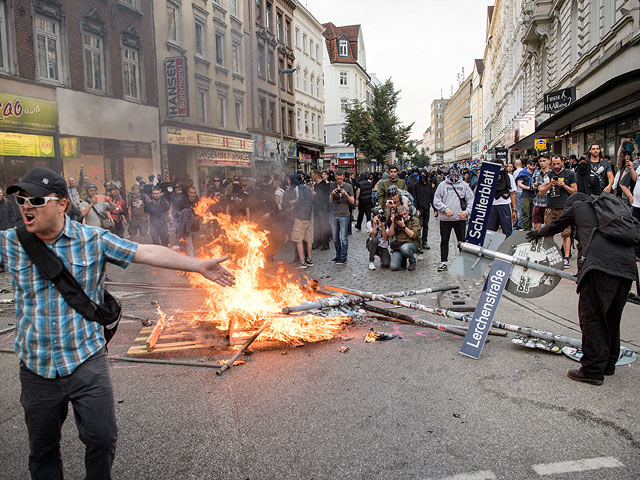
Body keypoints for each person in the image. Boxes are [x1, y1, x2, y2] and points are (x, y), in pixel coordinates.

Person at [2, 167, 234, 479]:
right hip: (36, 366)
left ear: (61, 204)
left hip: (86, 360)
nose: (26, 207)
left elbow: (147, 251)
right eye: (21, 199)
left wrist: (198, 265)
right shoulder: (11, 243)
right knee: (42, 449)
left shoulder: (92, 240)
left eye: (37, 200)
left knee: (101, 438)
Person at [527, 193, 637, 385]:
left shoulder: (578, 208)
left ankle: (592, 370)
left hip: (599, 268)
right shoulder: (609, 210)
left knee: (592, 318)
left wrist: (537, 233)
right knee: (611, 317)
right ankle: (608, 364)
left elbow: (556, 225)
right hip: (627, 270)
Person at [537, 154, 578, 267]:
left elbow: (575, 191)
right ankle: (552, 257)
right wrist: (550, 184)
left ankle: (566, 258)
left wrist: (564, 185)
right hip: (550, 207)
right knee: (549, 232)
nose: (556, 166)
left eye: (558, 164)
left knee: (566, 234)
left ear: (562, 162)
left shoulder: (569, 174)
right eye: (554, 164)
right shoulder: (549, 174)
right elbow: (541, 191)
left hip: (565, 207)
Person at [433, 165, 474, 272]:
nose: (454, 176)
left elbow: (471, 199)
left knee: (462, 241)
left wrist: (466, 212)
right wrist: (445, 209)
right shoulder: (442, 185)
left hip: (459, 219)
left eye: (456, 173)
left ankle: (464, 261)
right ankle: (443, 262)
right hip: (445, 219)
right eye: (452, 173)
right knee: (444, 241)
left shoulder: (464, 185)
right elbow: (436, 201)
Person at [329, 169, 355, 265]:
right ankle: (338, 255)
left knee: (343, 238)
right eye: (337, 178)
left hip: (344, 215)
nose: (339, 180)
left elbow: (352, 201)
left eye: (341, 178)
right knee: (335, 238)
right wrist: (332, 194)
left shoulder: (348, 186)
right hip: (334, 215)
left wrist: (345, 194)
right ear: (335, 177)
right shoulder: (332, 185)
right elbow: (329, 202)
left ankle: (344, 257)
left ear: (343, 177)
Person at [487, 159, 518, 237]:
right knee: (489, 232)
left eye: (500, 167)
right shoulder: (487, 177)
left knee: (508, 231)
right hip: (491, 206)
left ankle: (507, 248)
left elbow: (513, 193)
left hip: (505, 205)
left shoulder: (509, 177)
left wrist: (514, 210)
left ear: (503, 167)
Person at [289, 174, 313, 269]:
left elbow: (300, 199)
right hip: (308, 216)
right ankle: (309, 260)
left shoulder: (298, 188)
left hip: (300, 216)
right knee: (308, 239)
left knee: (298, 239)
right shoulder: (307, 188)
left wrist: (293, 204)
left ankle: (302, 261)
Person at [387, 205, 421, 271]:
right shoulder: (397, 221)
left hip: (411, 243)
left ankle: (412, 261)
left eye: (405, 214)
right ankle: (403, 259)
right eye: (401, 215)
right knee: (393, 267)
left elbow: (413, 235)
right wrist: (393, 223)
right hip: (399, 244)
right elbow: (390, 234)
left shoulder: (414, 220)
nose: (404, 216)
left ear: (407, 212)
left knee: (405, 248)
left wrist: (403, 226)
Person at [411, 169, 436, 249]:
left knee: (426, 226)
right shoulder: (416, 185)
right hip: (419, 208)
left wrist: (435, 209)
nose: (423, 176)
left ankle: (424, 242)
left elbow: (432, 198)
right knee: (419, 225)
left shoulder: (429, 185)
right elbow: (414, 198)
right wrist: (416, 209)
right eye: (421, 174)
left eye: (424, 174)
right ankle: (418, 242)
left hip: (427, 208)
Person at [531, 153, 552, 229]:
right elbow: (532, 185)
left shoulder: (552, 173)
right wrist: (536, 186)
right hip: (537, 202)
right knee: (536, 225)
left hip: (548, 202)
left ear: (549, 161)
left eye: (544, 161)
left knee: (548, 226)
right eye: (540, 161)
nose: (542, 163)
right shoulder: (536, 173)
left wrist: (545, 186)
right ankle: (537, 240)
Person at [515, 159, 537, 231]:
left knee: (533, 214)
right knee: (526, 213)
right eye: (531, 164)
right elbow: (519, 183)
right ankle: (527, 229)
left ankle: (531, 228)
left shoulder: (537, 173)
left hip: (535, 195)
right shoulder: (523, 173)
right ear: (527, 165)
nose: (533, 165)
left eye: (534, 164)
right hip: (526, 195)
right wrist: (528, 188)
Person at [312, 171, 331, 250]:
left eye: (313, 175)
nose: (312, 176)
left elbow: (325, 197)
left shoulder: (325, 185)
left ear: (316, 176)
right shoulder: (316, 185)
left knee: (324, 225)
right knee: (317, 226)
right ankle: (317, 242)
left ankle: (325, 244)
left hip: (323, 209)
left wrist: (315, 194)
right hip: (316, 208)